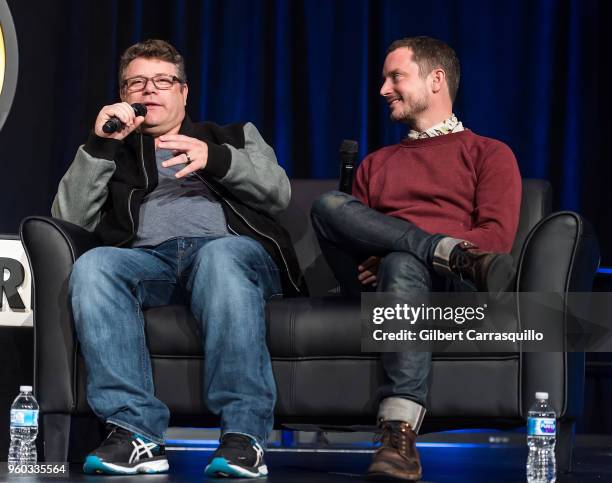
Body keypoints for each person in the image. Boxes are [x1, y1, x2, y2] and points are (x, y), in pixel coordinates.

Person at [52, 39, 303, 478]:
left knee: (220, 259)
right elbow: (67, 219)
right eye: (136, 83)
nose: (149, 90)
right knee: (94, 267)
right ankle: (135, 433)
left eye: (162, 81)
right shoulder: (114, 152)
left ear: (183, 92)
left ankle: (244, 435)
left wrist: (217, 159)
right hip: (151, 262)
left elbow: (278, 193)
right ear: (123, 96)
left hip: (230, 251)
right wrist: (99, 146)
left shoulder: (232, 136)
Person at [311, 36, 521, 481]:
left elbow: (496, 240)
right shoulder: (376, 163)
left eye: (395, 77)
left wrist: (399, 251)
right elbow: (354, 233)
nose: (383, 89)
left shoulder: (489, 153)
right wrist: (404, 248)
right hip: (373, 283)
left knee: (404, 263)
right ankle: (440, 252)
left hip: (451, 287)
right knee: (329, 205)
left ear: (436, 79)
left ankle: (398, 434)